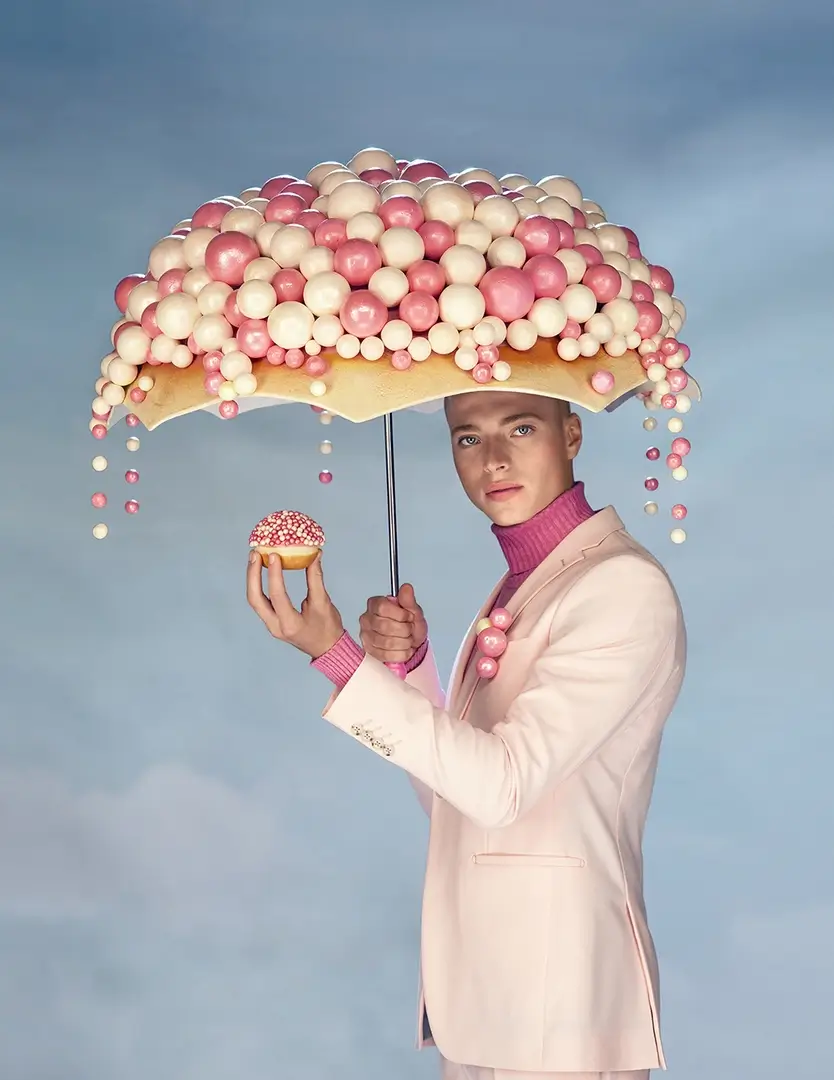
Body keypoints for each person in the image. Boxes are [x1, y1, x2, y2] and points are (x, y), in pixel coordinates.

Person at [246, 389, 687, 1080]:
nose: (494, 459)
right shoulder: (523, 583)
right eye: (467, 437)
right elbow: (454, 799)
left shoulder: (621, 587)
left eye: (520, 427)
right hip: (487, 1006)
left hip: (561, 1010)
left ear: (572, 434)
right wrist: (408, 669)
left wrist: (339, 657)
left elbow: (501, 787)